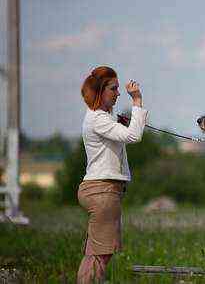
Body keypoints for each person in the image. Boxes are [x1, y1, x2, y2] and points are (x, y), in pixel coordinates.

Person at [77, 66, 148, 283]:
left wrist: (122, 121)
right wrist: (137, 100)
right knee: (101, 254)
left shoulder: (101, 117)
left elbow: (122, 131)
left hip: (101, 190)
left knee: (94, 253)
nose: (118, 93)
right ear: (100, 91)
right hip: (103, 191)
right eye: (114, 88)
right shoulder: (98, 119)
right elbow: (134, 136)